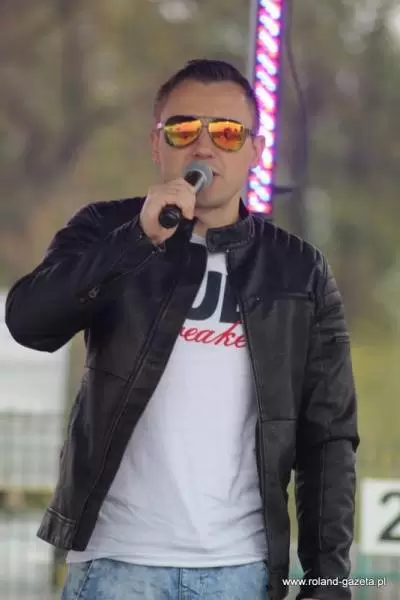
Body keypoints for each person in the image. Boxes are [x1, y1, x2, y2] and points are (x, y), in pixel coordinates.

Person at [5, 59, 359, 600]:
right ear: (157, 143)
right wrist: (137, 239)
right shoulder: (106, 229)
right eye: (184, 129)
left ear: (256, 151)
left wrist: (327, 583)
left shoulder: (298, 270)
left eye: (227, 133)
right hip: (117, 566)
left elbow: (328, 438)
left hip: (241, 570)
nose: (204, 147)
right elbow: (29, 321)